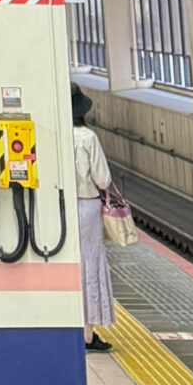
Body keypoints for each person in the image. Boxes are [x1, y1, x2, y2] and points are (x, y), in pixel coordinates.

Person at [72, 87, 116, 351]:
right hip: (87, 207)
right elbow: (103, 179)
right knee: (89, 265)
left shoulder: (56, 136)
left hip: (62, 208)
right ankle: (87, 334)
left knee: (69, 266)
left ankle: (69, 326)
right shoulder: (88, 138)